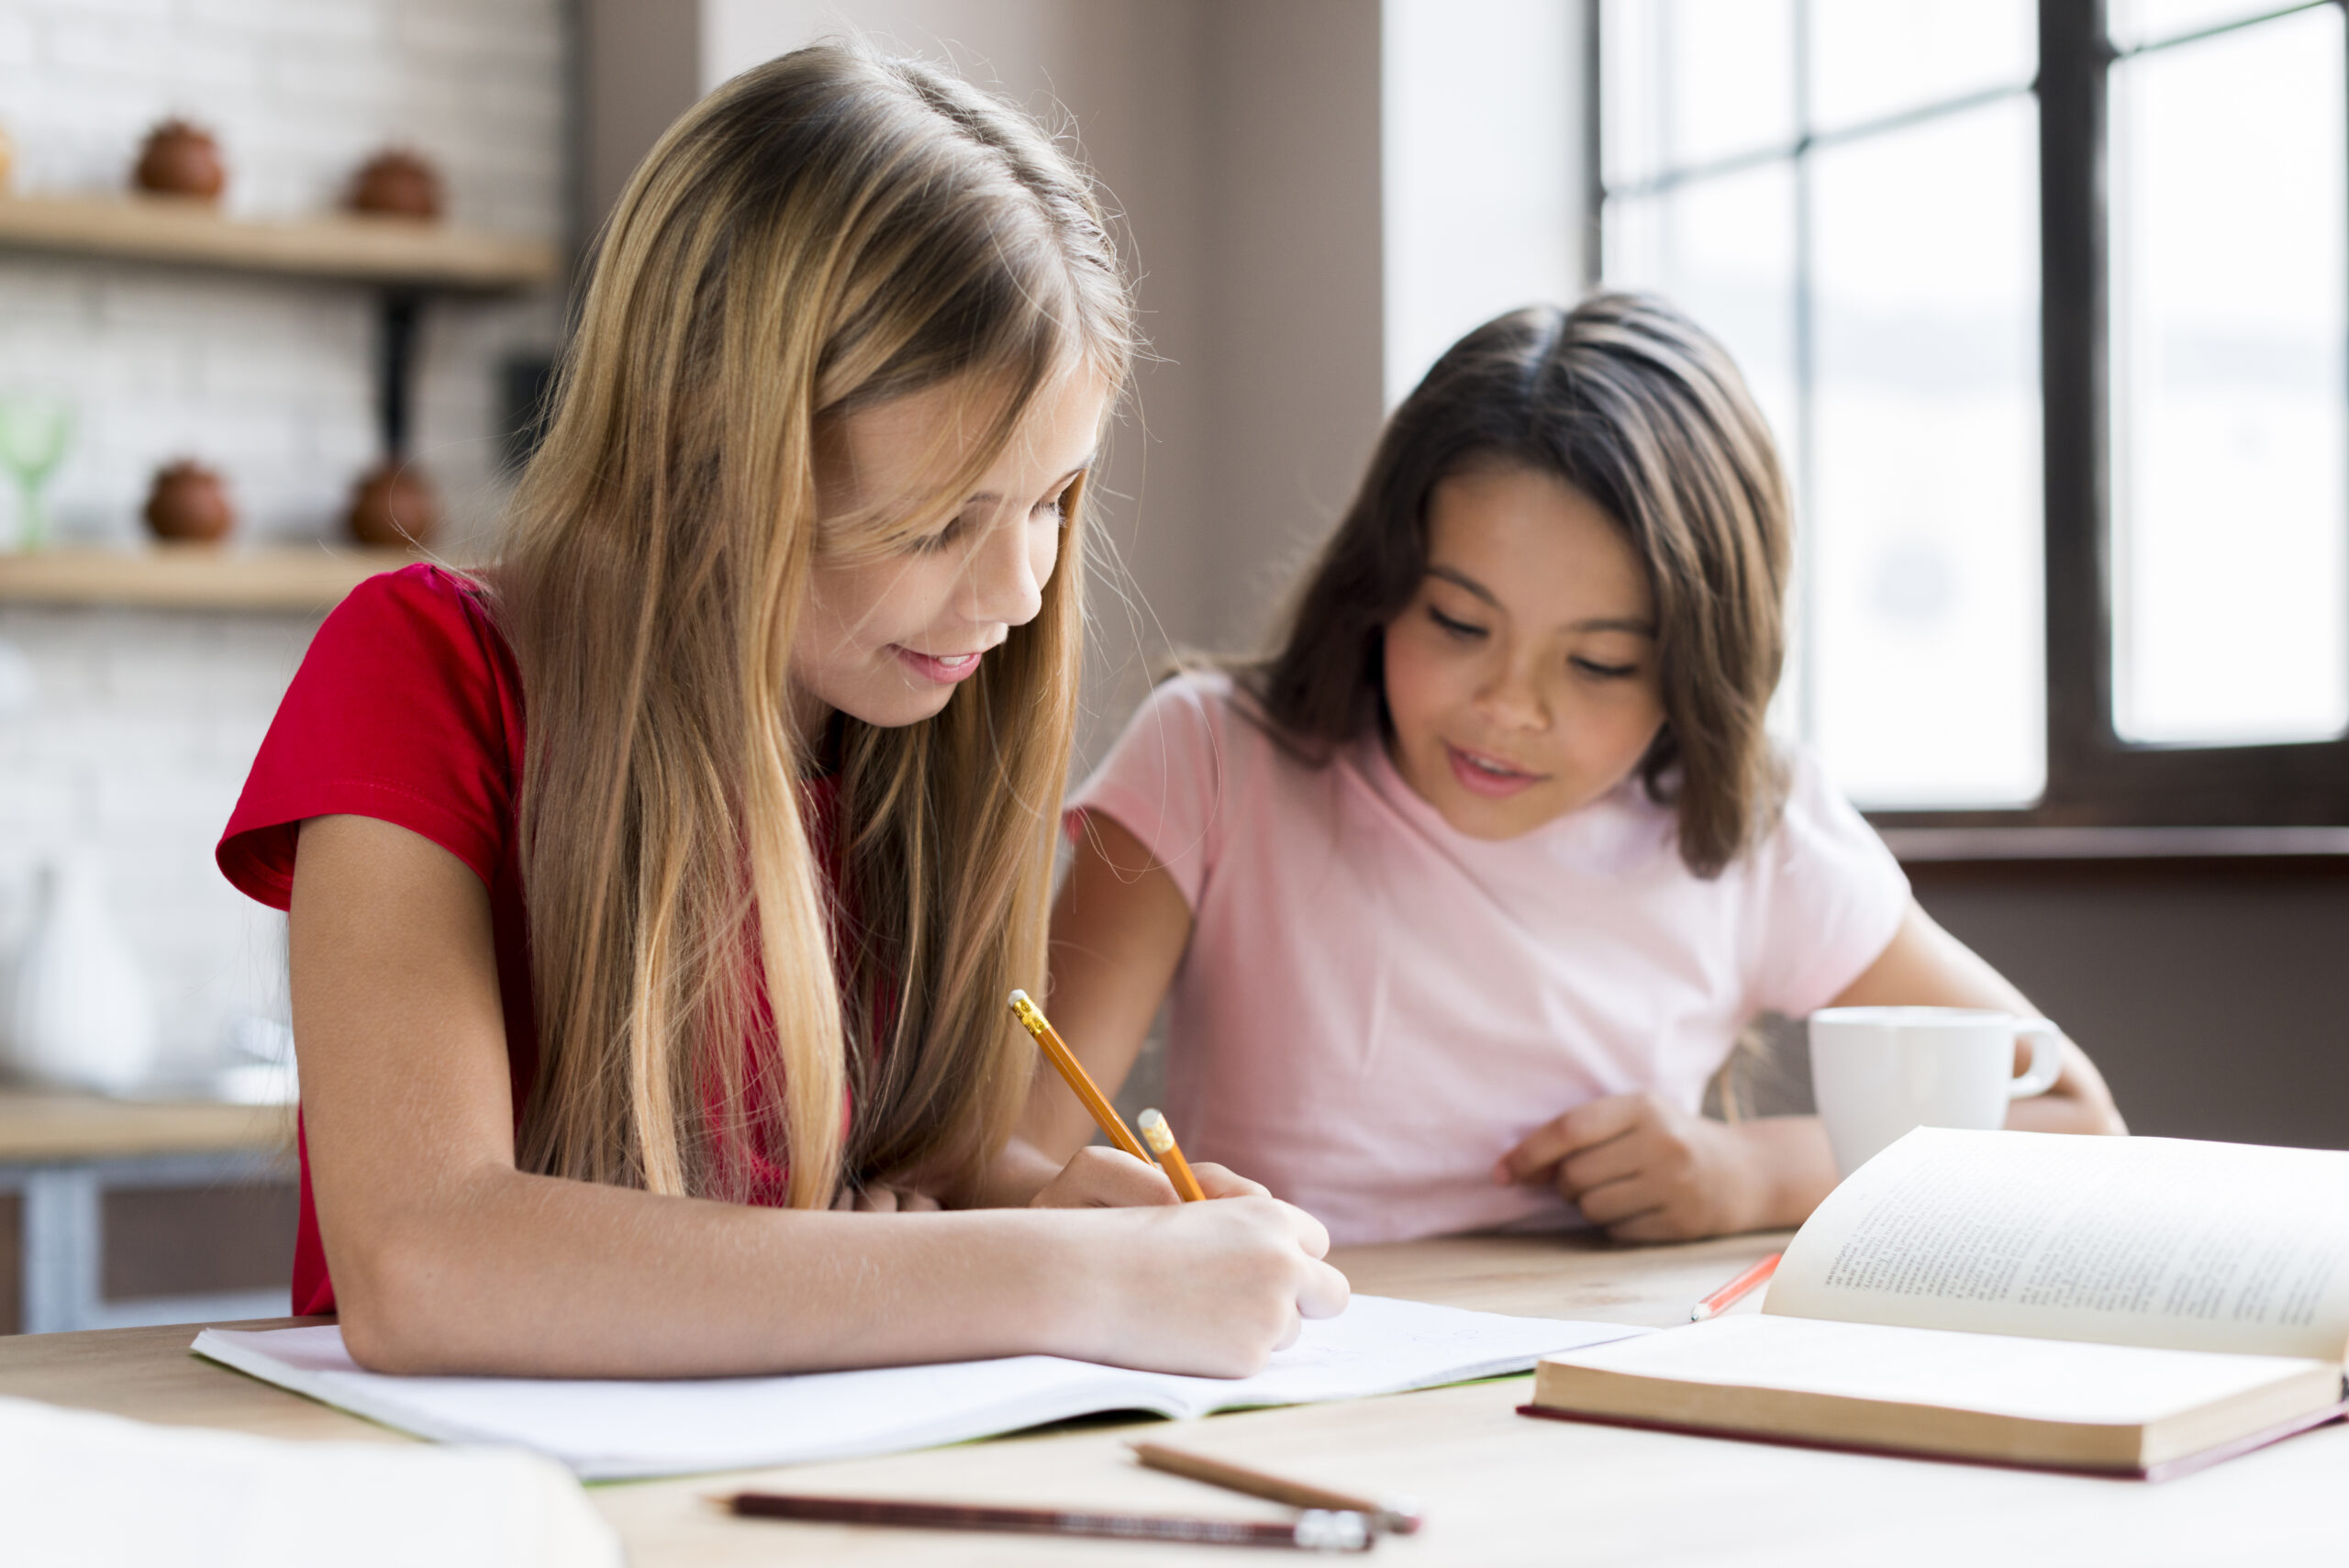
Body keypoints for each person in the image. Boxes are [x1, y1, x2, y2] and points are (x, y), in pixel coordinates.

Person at [215, 45, 1343, 1379]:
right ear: (706, 462)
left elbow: (923, 1158)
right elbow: (423, 1260)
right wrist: (1055, 1271)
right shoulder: (425, 667)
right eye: (937, 523)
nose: (1023, 593)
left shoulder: (899, 720)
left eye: (1054, 503)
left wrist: (1048, 1206)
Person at [1019, 295, 2125, 1247]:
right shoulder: (1214, 754)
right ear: (1382, 583)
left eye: (1598, 662)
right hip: (1303, 1357)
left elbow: (2076, 1123)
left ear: (1693, 670)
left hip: (1607, 1375)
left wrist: (1754, 1174)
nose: (1509, 706)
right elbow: (1014, 1146)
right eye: (1457, 622)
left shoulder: (1750, 823)